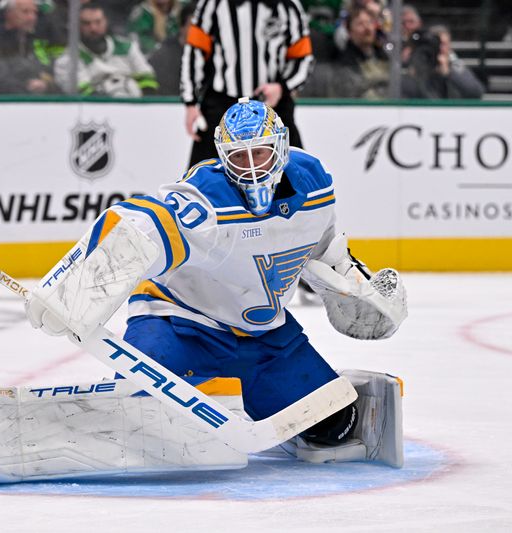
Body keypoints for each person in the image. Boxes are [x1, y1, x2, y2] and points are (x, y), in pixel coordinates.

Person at [23, 98, 408, 476]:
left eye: (261, 154)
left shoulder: (314, 183)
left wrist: (355, 284)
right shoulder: (205, 197)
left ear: (282, 148)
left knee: (334, 425)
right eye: (240, 158)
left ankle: (245, 393)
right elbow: (139, 222)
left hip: (264, 339)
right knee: (139, 419)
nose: (253, 168)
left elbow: (326, 252)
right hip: (179, 322)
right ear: (224, 158)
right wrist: (75, 287)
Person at [181, 0, 313, 167]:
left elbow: (304, 58)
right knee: (203, 177)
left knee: (297, 174)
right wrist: (190, 102)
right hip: (222, 104)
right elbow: (194, 51)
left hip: (273, 104)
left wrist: (282, 87)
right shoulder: (212, 4)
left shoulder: (288, 5)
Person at [53, 2, 157, 97]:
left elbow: (147, 77)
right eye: (86, 23)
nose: (93, 28)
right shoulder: (68, 59)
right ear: (78, 26)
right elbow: (83, 94)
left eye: (98, 22)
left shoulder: (127, 47)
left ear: (106, 22)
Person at [0, 0, 59, 94]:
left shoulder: (32, 40)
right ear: (9, 14)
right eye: (25, 12)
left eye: (34, 12)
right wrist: (29, 88)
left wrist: (46, 85)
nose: (32, 17)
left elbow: (47, 72)